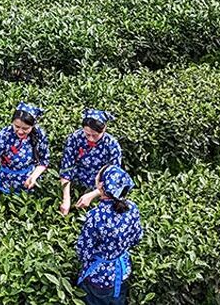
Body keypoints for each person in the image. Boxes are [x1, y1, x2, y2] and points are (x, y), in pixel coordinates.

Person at [75, 165, 144, 305]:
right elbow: (137, 237)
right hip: (122, 271)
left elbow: (83, 252)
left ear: (101, 185)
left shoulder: (95, 216)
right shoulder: (132, 208)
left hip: (98, 279)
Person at [0, 102, 50, 210]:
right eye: (17, 126)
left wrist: (33, 176)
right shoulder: (4, 136)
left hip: (30, 184)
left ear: (33, 126)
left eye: (25, 128)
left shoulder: (39, 134)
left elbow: (44, 159)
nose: (20, 131)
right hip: (7, 184)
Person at [60, 109, 123, 216]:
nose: (91, 139)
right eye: (87, 134)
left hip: (100, 186)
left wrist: (93, 195)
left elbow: (114, 177)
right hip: (76, 182)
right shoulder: (75, 138)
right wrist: (66, 198)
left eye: (95, 135)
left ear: (104, 129)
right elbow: (66, 168)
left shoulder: (112, 145)